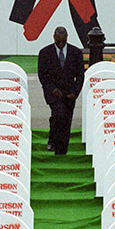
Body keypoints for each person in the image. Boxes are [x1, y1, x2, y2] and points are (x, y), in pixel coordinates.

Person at [37, 26, 85, 155]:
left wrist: (75, 92)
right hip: (53, 93)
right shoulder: (45, 53)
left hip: (70, 93)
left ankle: (62, 148)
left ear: (67, 38)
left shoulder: (76, 53)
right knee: (59, 115)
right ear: (54, 37)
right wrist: (52, 89)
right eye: (58, 41)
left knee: (67, 120)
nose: (60, 44)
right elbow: (42, 75)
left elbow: (80, 75)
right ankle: (55, 144)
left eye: (63, 41)